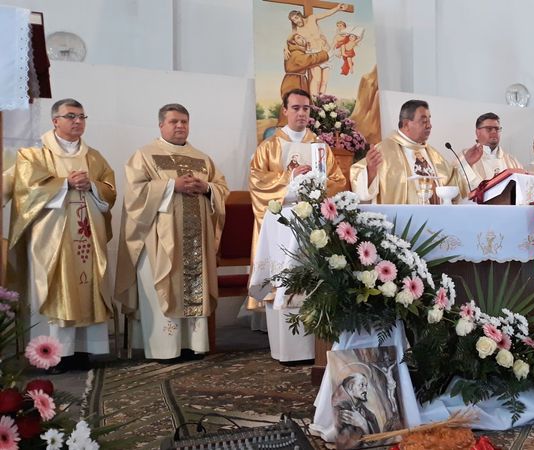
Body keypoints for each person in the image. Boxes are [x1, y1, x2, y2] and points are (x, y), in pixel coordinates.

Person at [7, 98, 116, 373]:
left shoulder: (94, 156)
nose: (78, 121)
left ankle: (83, 350)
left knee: (87, 288)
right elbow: (26, 191)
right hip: (51, 239)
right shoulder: (35, 153)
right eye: (71, 116)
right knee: (55, 288)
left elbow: (110, 190)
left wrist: (92, 185)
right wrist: (64, 183)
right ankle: (53, 355)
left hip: (87, 237)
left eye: (81, 116)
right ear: (55, 121)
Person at [115, 103, 229, 361]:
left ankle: (193, 345)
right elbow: (134, 194)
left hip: (195, 243)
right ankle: (166, 349)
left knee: (193, 286)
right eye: (174, 121)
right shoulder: (144, 155)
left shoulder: (202, 158)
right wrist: (170, 186)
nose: (180, 126)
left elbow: (222, 189)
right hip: (159, 242)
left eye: (184, 122)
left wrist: (207, 188)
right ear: (161, 125)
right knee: (165, 286)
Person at [250, 88, 347, 238]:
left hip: (314, 222)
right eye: (296, 108)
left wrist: (314, 185)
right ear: (285, 110)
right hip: (281, 219)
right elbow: (257, 181)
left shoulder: (321, 148)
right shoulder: (268, 147)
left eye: (306, 108)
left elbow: (339, 182)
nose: (301, 113)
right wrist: (291, 177)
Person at [350, 99, 469, 204]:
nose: (429, 126)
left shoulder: (432, 154)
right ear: (406, 124)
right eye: (424, 121)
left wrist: (468, 163)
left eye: (429, 120)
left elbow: (453, 183)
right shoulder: (383, 150)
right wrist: (370, 172)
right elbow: (356, 178)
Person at [286, 4, 347, 96]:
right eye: (293, 20)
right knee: (317, 79)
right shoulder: (296, 30)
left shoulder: (312, 18)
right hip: (314, 54)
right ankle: (314, 99)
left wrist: (337, 8)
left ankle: (321, 101)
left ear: (300, 15)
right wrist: (285, 48)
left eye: (296, 18)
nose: (296, 21)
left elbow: (326, 14)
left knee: (325, 81)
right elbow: (288, 39)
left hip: (326, 51)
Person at [459, 112, 524, 189]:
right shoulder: (465, 156)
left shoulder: (512, 160)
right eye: (489, 129)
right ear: (478, 132)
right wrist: (467, 164)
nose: (494, 132)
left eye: (497, 129)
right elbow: (455, 181)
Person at [280, 33, 329, 105]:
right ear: (293, 41)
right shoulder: (294, 53)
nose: (302, 39)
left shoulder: (299, 52)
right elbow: (309, 59)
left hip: (299, 81)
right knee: (294, 104)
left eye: (302, 37)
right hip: (293, 83)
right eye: (298, 38)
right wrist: (324, 54)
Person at [334, 373, 380, 448]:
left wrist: (363, 423)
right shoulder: (339, 408)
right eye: (362, 385)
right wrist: (363, 424)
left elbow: (377, 439)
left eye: (366, 386)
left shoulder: (362, 409)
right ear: (351, 387)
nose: (365, 390)